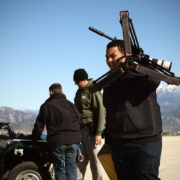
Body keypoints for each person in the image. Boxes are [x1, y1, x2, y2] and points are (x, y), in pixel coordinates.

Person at [103, 40, 162, 180]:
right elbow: (110, 111)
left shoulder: (140, 72)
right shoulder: (110, 80)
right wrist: (109, 139)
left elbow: (155, 80)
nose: (109, 60)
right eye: (107, 57)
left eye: (113, 56)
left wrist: (138, 65)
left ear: (125, 55)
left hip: (145, 142)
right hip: (119, 144)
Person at [31, 83, 81, 180]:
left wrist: (34, 137)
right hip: (73, 140)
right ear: (62, 91)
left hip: (57, 141)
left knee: (59, 169)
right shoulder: (71, 105)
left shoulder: (46, 105)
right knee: (71, 168)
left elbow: (39, 125)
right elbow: (79, 121)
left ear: (51, 92)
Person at [73, 68, 105, 180]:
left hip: (91, 131)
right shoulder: (79, 92)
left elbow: (101, 112)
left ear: (83, 80)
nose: (76, 84)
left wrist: (98, 133)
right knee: (80, 160)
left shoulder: (93, 90)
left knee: (95, 161)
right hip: (80, 131)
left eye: (77, 82)